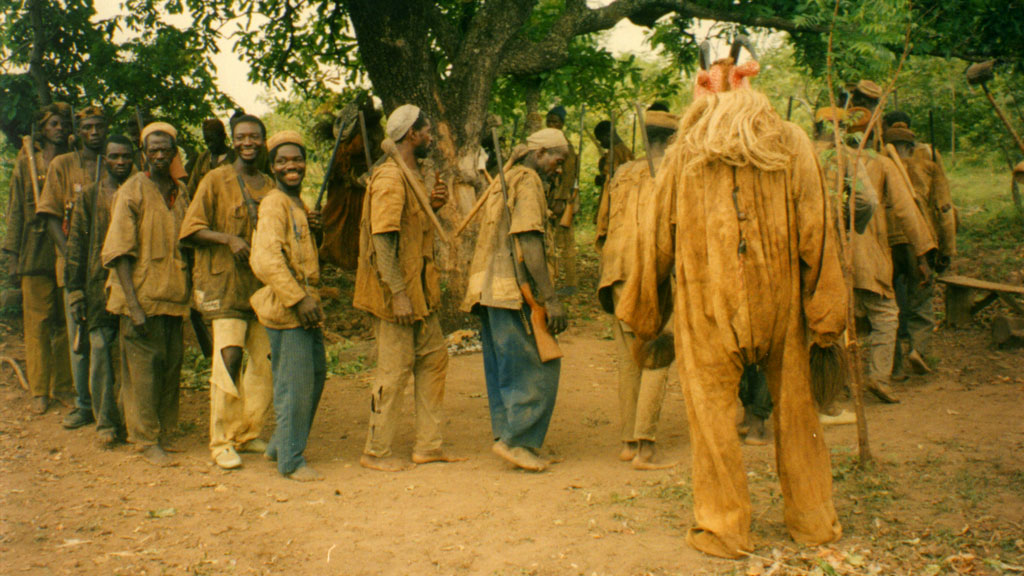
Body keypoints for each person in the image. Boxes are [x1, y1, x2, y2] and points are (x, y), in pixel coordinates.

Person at [616, 51, 846, 558]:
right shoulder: (790, 142)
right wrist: (827, 314)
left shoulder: (686, 151)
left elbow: (656, 237)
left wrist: (645, 314)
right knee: (795, 412)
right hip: (780, 304)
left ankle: (723, 530)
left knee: (713, 420)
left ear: (706, 91)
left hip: (707, 310)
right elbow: (818, 231)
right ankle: (812, 520)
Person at [353, 104, 461, 472]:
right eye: (428, 131)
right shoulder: (389, 178)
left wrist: (432, 204)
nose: (432, 136)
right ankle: (375, 451)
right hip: (396, 295)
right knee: (394, 372)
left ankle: (428, 446)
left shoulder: (412, 174)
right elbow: (383, 240)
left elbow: (412, 225)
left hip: (422, 293)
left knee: (434, 359)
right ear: (412, 135)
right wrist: (397, 293)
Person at [462, 127, 569, 472]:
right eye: (558, 159)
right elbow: (529, 240)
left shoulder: (506, 178)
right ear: (539, 155)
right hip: (511, 290)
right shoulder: (528, 181)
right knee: (537, 365)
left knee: (504, 367)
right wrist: (550, 299)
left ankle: (512, 438)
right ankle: (518, 440)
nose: (560, 168)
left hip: (488, 289)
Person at [179, 114, 276, 470]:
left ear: (263, 141)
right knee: (228, 359)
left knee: (264, 362)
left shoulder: (270, 185)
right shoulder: (214, 180)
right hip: (223, 285)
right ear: (233, 141)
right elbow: (190, 230)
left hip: (262, 288)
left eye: (254, 136)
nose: (247, 143)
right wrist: (228, 238)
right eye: (241, 137)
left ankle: (247, 433)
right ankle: (221, 440)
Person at [101, 122, 191, 466]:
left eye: (164, 149)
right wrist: (134, 306)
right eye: (151, 150)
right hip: (139, 297)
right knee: (142, 370)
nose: (158, 155)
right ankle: (144, 438)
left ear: (174, 153)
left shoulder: (180, 192)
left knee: (169, 366)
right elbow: (119, 252)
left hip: (172, 295)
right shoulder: (133, 190)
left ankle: (164, 431)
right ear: (143, 154)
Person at [596, 107, 679, 469]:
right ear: (673, 139)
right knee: (657, 353)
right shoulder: (678, 174)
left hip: (616, 271)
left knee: (629, 355)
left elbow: (601, 229)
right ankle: (645, 447)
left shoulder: (622, 173)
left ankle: (629, 442)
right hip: (654, 274)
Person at [845, 84, 937, 401]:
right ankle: (879, 378)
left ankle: (834, 387)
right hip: (867, 254)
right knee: (885, 316)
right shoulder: (881, 163)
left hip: (825, 254)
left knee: (836, 320)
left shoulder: (821, 158)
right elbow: (908, 212)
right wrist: (925, 254)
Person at [249, 131, 326, 482]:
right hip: (289, 310)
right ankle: (291, 461)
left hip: (305, 309)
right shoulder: (274, 203)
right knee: (294, 384)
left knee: (314, 376)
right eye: (282, 161)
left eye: (296, 159)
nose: (291, 166)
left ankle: (280, 444)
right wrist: (298, 298)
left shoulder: (296, 204)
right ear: (272, 167)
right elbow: (265, 259)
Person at [36, 105, 109, 429]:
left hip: (110, 265)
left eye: (99, 127)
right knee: (79, 337)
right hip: (74, 266)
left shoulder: (116, 163)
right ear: (77, 132)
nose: (94, 133)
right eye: (87, 127)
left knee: (105, 338)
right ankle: (84, 405)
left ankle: (110, 404)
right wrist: (70, 259)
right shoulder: (63, 165)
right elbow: (50, 214)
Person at [2, 103, 73, 415]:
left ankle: (64, 386)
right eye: (53, 123)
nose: (59, 128)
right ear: (43, 129)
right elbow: (16, 209)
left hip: (66, 248)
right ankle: (40, 390)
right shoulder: (27, 160)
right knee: (37, 321)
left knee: (65, 322)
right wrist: (12, 257)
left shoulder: (74, 160)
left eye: (63, 123)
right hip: (34, 248)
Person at [65, 135, 135, 446]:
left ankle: (133, 421)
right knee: (102, 354)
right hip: (97, 288)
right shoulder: (91, 196)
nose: (120, 162)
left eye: (126, 157)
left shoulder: (139, 191)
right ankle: (106, 423)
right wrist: (76, 291)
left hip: (133, 284)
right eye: (114, 156)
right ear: (104, 159)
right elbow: (76, 245)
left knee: (133, 354)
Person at [884, 121, 956, 374]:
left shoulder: (877, 167)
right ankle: (918, 350)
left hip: (886, 245)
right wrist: (947, 250)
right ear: (911, 147)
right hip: (920, 244)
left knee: (888, 306)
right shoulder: (929, 167)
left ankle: (894, 367)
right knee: (921, 300)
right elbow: (944, 209)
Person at [544, 105, 580, 295]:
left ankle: (571, 282)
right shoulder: (547, 144)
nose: (551, 125)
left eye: (555, 122)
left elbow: (569, 176)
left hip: (562, 200)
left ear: (562, 124)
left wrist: (561, 200)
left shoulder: (566, 147)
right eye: (549, 121)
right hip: (549, 198)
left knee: (565, 241)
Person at [594, 119, 633, 231]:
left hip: (614, 199)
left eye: (601, 140)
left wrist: (601, 179)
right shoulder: (625, 150)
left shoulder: (615, 152)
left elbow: (611, 177)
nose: (601, 144)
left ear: (607, 135)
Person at [185, 118, 235, 195]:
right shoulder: (203, 158)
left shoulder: (234, 158)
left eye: (212, 140)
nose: (209, 145)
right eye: (207, 141)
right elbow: (192, 188)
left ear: (223, 136)